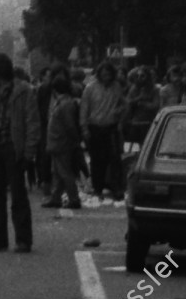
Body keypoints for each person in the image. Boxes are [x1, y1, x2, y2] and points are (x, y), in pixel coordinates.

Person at [0, 52, 39, 252]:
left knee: (18, 195)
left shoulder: (23, 91)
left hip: (13, 147)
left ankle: (23, 240)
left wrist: (28, 152)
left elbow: (32, 122)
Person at [80, 62, 128, 198]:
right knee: (97, 160)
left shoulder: (116, 87)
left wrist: (119, 115)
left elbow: (123, 103)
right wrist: (84, 129)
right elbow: (84, 109)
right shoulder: (90, 88)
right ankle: (98, 188)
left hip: (111, 128)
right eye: (104, 73)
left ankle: (116, 188)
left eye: (109, 73)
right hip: (95, 127)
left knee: (115, 159)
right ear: (99, 74)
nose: (106, 76)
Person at [42, 74, 83, 210]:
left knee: (65, 172)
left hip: (61, 143)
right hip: (57, 142)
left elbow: (69, 125)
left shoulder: (65, 104)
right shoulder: (64, 102)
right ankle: (56, 197)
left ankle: (74, 198)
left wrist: (75, 140)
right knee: (58, 173)